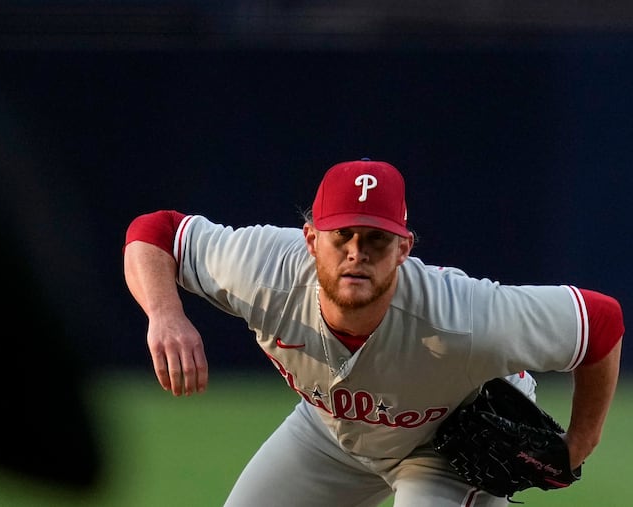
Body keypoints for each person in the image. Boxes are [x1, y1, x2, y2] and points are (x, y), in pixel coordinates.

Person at [122, 159, 623, 506]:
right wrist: (166, 315)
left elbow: (600, 322)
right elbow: (155, 231)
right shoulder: (265, 270)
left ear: (404, 249)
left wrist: (579, 443)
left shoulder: (465, 317)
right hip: (328, 432)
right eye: (343, 235)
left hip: (443, 451)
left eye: (377, 239)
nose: (357, 251)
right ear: (312, 239)